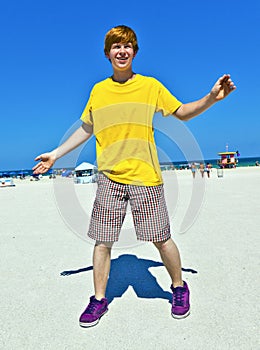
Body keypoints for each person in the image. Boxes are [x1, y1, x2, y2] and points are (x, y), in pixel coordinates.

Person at [33, 25, 236, 327]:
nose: (122, 51)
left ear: (135, 52)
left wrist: (211, 99)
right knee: (102, 243)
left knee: (161, 239)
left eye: (128, 46)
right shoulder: (98, 92)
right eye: (116, 46)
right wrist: (56, 153)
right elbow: (87, 128)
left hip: (145, 177)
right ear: (107, 53)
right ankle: (99, 299)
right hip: (109, 179)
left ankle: (179, 288)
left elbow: (180, 112)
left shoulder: (150, 86)